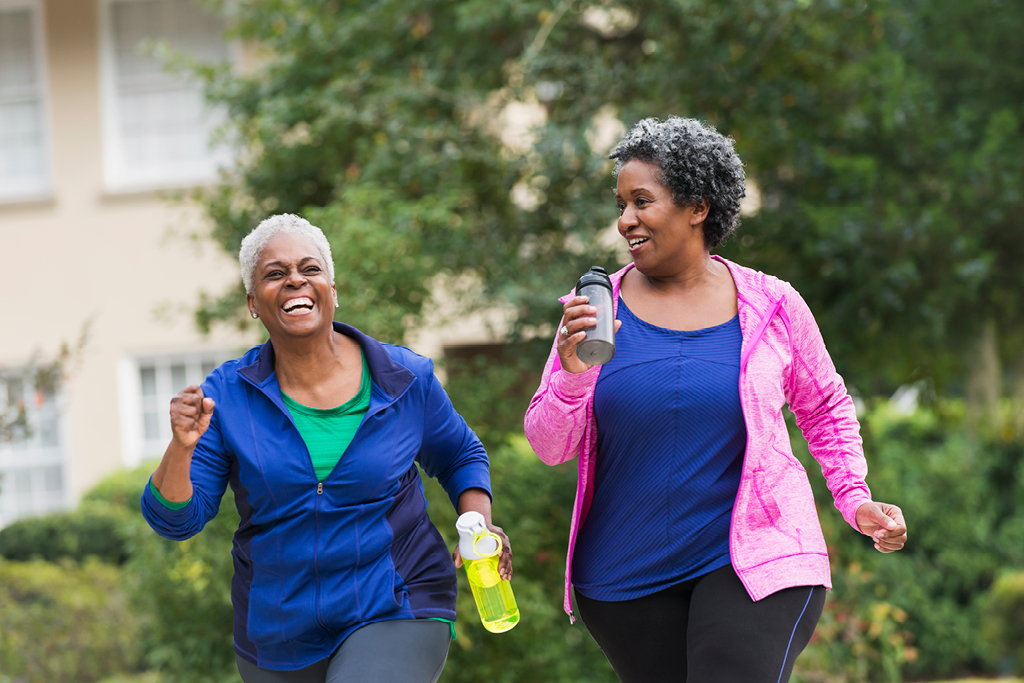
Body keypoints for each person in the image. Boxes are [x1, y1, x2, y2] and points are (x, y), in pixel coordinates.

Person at [524, 117, 907, 683]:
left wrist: (854, 498)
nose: (625, 219)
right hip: (623, 575)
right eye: (621, 204)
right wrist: (572, 374)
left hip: (755, 560)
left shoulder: (773, 306)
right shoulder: (591, 312)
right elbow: (549, 445)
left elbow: (824, 407)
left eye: (641, 201)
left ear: (698, 208)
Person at [142, 214, 512, 683]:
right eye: (275, 273)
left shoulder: (402, 378)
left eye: (309, 269)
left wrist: (477, 523)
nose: (295, 279)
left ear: (332, 289)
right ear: (254, 303)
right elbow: (176, 520)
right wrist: (181, 447)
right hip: (277, 632)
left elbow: (460, 455)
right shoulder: (228, 397)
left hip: (396, 602)